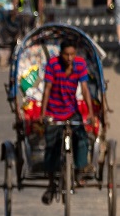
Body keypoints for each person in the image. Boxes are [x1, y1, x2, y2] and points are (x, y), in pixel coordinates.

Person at [38, 38, 91, 203]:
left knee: (82, 138)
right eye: (66, 55)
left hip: (71, 111)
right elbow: (47, 89)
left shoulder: (80, 65)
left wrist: (91, 113)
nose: (69, 58)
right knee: (51, 144)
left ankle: (80, 171)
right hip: (53, 111)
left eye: (72, 54)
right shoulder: (53, 65)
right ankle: (51, 182)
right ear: (61, 54)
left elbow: (84, 89)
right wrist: (42, 113)